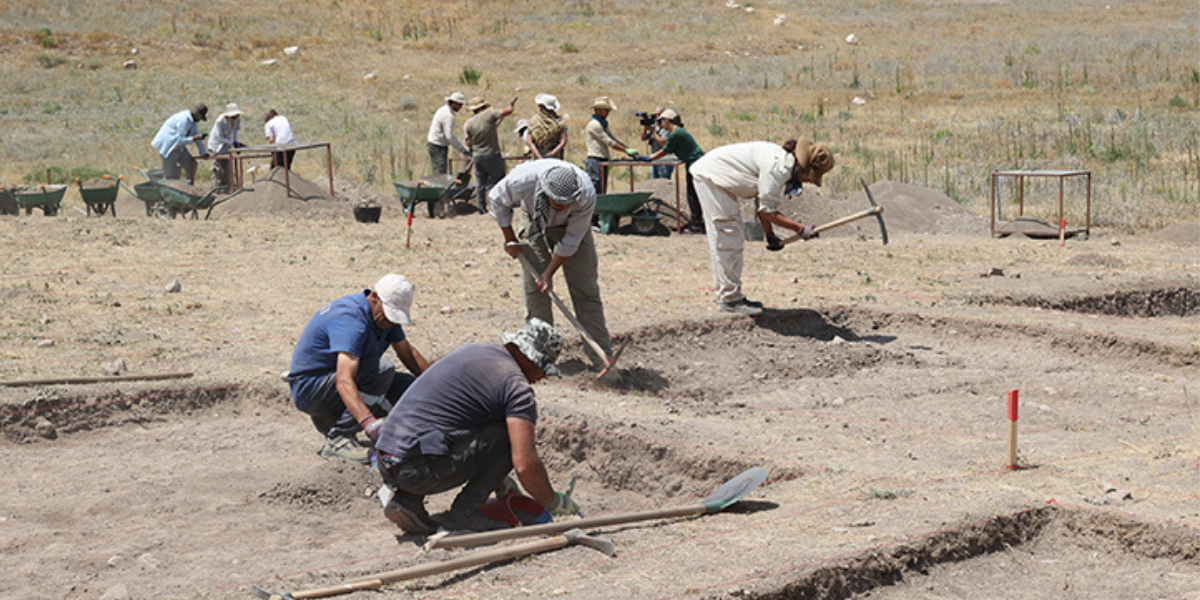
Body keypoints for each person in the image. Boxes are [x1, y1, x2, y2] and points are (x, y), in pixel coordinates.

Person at [376, 319, 581, 534]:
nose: (544, 376)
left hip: (386, 457)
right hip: (416, 470)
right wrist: (553, 502)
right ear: (528, 358)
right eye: (543, 367)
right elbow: (525, 465)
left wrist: (498, 477)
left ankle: (408, 501)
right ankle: (465, 514)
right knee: (509, 437)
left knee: (458, 427)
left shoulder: (475, 351)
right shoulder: (516, 386)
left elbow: (462, 419)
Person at [287, 274, 430, 464]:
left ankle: (336, 421)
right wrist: (370, 425)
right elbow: (344, 380)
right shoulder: (351, 321)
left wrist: (437, 386)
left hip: (338, 384)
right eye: (389, 314)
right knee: (382, 369)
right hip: (312, 390)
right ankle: (339, 439)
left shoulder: (383, 318)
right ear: (374, 297)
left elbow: (408, 353)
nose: (391, 321)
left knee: (411, 389)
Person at [489, 159, 615, 371]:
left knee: (586, 290)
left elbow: (571, 241)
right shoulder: (523, 180)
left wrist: (549, 273)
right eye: (559, 204)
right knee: (536, 291)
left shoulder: (585, 194)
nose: (565, 208)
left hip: (573, 226)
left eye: (568, 204)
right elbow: (496, 198)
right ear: (544, 193)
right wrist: (510, 238)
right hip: (534, 220)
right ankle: (538, 360)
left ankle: (602, 359)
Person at [689, 139, 835, 315]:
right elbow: (767, 211)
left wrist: (769, 233)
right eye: (811, 176)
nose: (809, 181)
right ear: (803, 168)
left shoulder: (782, 163)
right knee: (728, 236)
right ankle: (729, 299)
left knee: (730, 236)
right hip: (711, 176)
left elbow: (763, 202)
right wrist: (801, 229)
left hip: (715, 176)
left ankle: (729, 295)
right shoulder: (779, 168)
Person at [641, 108, 706, 233]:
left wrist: (649, 158)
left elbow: (665, 150)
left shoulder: (676, 133)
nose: (660, 124)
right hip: (694, 163)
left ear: (667, 120)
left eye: (661, 121)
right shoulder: (677, 132)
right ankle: (696, 221)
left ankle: (697, 224)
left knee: (693, 194)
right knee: (692, 194)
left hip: (695, 164)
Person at [463, 96, 516, 212]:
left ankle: (481, 208)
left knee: (480, 184)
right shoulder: (489, 114)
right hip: (492, 154)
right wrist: (510, 105)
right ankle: (502, 205)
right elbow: (508, 111)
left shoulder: (469, 123)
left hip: (477, 156)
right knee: (500, 181)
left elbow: (469, 142)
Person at [584, 96, 639, 194]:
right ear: (598, 110)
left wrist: (627, 148)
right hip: (595, 160)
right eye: (606, 110)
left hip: (602, 160)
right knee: (596, 189)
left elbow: (613, 138)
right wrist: (625, 150)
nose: (608, 112)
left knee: (602, 189)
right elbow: (609, 142)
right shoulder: (594, 125)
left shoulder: (603, 124)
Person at [150, 104, 208, 182]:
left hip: (179, 147)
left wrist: (203, 152)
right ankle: (169, 188)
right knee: (170, 175)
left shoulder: (193, 122)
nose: (199, 120)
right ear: (196, 115)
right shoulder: (184, 120)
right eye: (200, 118)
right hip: (169, 146)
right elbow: (180, 140)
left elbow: (197, 136)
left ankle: (189, 186)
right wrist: (194, 138)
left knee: (192, 165)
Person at [427, 92, 471, 176]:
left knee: (440, 171)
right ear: (454, 103)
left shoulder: (443, 109)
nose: (461, 107)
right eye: (459, 105)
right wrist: (462, 149)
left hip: (437, 144)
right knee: (440, 173)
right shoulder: (448, 115)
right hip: (438, 146)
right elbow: (449, 136)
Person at [206, 103, 245, 190]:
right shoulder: (220, 121)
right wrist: (232, 143)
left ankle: (227, 188)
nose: (236, 117)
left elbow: (235, 132)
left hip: (226, 145)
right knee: (217, 169)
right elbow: (219, 137)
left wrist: (236, 143)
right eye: (234, 116)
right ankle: (216, 189)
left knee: (227, 168)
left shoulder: (237, 120)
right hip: (216, 145)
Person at [526, 94, 567, 160]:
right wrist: (551, 154)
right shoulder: (560, 122)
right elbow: (563, 142)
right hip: (555, 157)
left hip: (538, 155)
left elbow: (529, 141)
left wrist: (539, 156)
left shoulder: (534, 121)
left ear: (541, 106)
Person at [641, 107, 674, 180]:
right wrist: (646, 127)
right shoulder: (654, 126)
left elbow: (663, 143)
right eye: (656, 115)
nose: (657, 117)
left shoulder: (667, 128)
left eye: (659, 114)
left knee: (664, 181)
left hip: (665, 160)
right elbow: (643, 138)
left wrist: (653, 132)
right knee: (655, 181)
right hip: (654, 158)